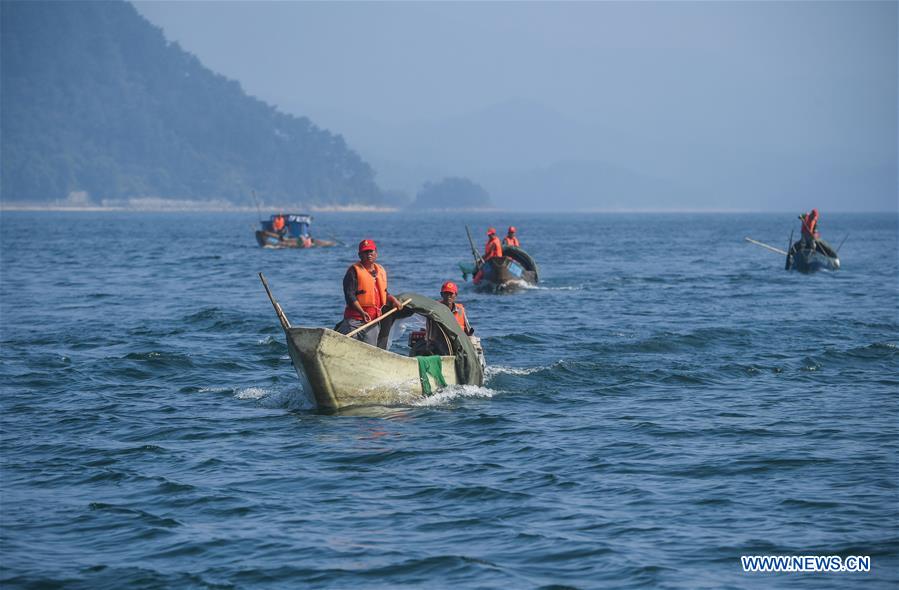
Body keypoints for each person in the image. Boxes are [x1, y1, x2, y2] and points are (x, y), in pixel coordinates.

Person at [335, 239, 404, 347]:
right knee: (348, 346)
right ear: (359, 255)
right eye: (365, 252)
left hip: (373, 321)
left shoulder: (380, 270)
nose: (368, 255)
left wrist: (394, 300)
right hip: (354, 320)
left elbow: (383, 293)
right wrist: (362, 312)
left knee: (370, 349)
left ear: (376, 253)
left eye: (370, 252)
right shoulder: (353, 271)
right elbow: (350, 295)